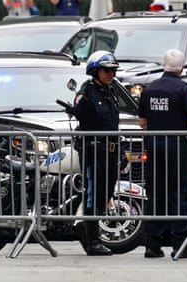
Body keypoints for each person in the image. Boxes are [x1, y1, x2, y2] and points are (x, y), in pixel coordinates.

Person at [138, 49, 187, 259]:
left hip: (154, 146)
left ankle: (152, 244)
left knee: (155, 193)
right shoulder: (185, 89)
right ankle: (180, 243)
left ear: (164, 65)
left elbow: (142, 122)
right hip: (179, 147)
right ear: (182, 68)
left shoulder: (149, 89)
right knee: (181, 193)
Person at [70, 50, 120, 256]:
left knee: (105, 192)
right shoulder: (87, 92)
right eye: (106, 70)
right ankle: (92, 240)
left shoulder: (110, 91)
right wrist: (81, 100)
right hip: (93, 150)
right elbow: (79, 114)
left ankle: (87, 229)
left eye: (113, 70)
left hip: (109, 150)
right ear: (95, 71)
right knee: (93, 194)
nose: (111, 74)